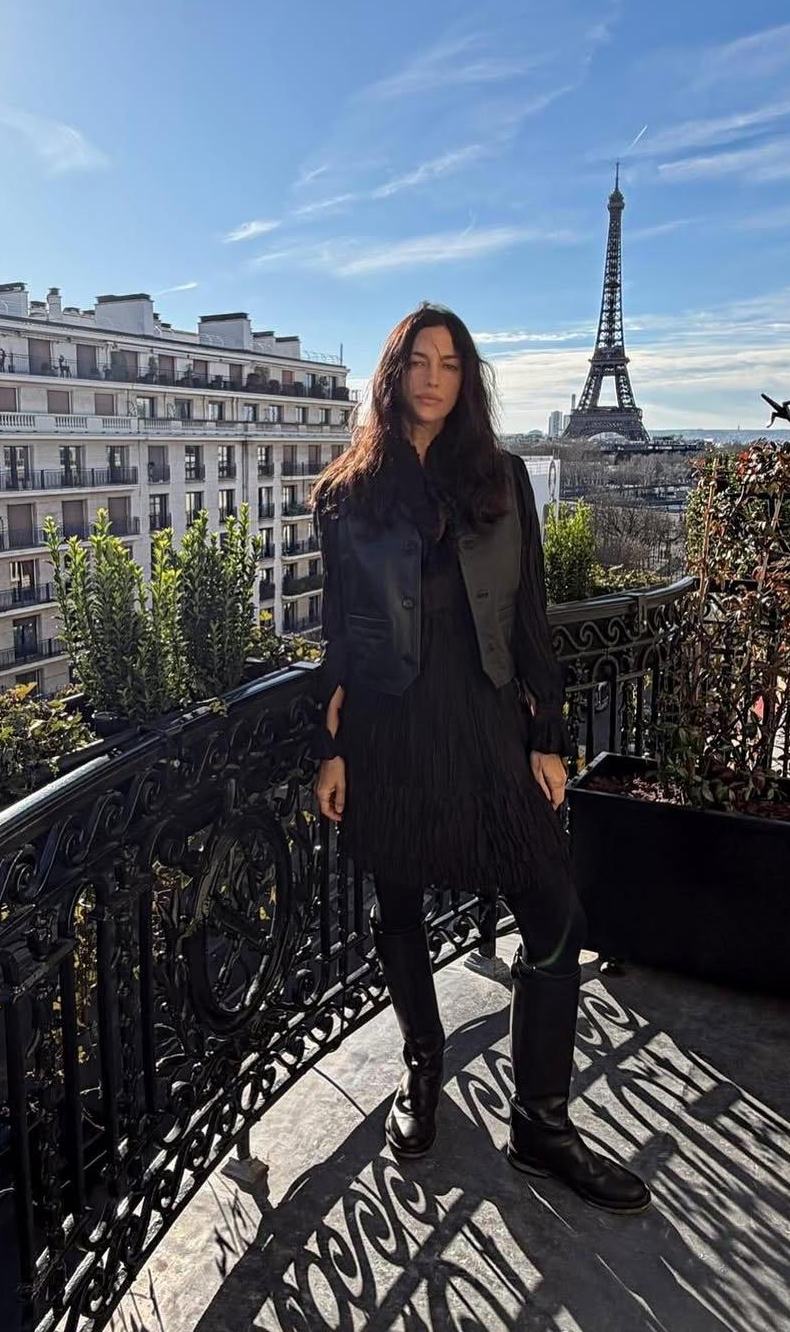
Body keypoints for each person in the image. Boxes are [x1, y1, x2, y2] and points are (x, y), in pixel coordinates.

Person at [311, 302, 651, 1215]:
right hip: (388, 723)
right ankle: (423, 1069)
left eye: (451, 363)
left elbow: (529, 611)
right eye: (418, 361)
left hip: (486, 715)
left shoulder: (502, 478)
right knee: (398, 902)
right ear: (393, 376)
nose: (433, 378)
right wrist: (330, 746)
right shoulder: (349, 493)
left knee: (554, 912)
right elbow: (339, 627)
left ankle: (541, 1124)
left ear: (468, 380)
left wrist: (549, 733)